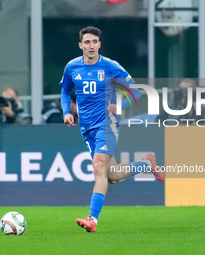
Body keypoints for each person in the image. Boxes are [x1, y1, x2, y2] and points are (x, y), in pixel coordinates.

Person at [59, 26, 164, 233]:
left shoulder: (110, 66)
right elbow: (65, 91)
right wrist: (66, 112)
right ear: (80, 45)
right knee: (112, 175)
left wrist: (120, 106)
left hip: (107, 124)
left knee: (98, 168)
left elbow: (135, 92)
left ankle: (92, 219)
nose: (91, 46)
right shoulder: (72, 67)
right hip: (86, 127)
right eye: (87, 42)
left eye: (94, 42)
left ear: (100, 44)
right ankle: (146, 164)